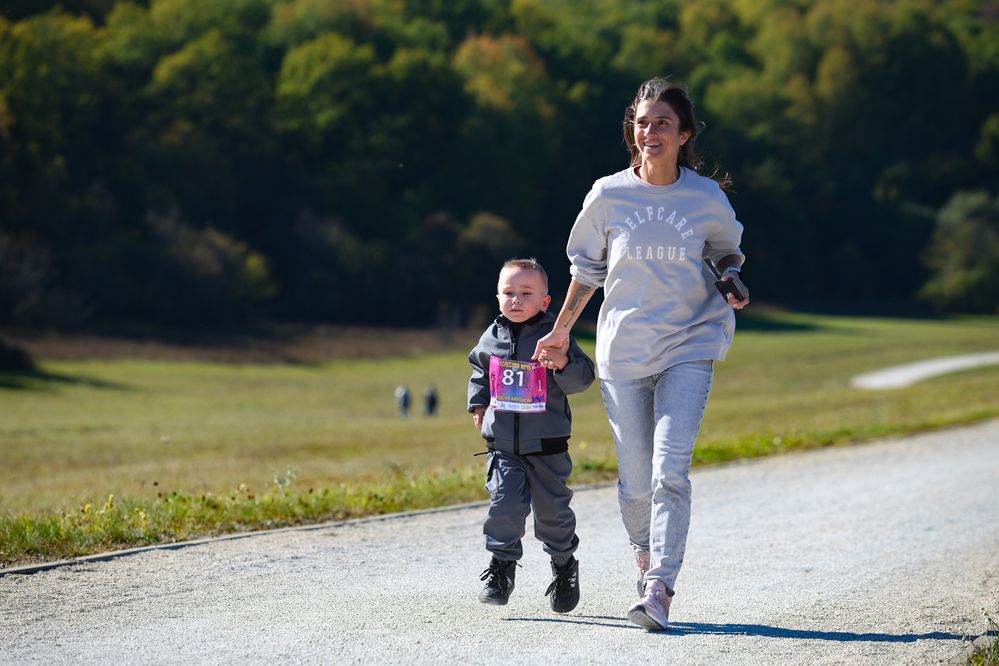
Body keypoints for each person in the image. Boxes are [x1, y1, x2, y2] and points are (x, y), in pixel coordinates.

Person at [532, 78, 750, 632]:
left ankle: (660, 588)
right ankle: (644, 556)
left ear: (684, 135)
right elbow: (587, 271)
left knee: (668, 469)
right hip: (625, 351)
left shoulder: (705, 197)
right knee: (633, 482)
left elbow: (725, 249)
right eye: (643, 122)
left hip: (689, 343)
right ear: (633, 130)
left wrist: (729, 275)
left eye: (662, 124)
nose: (650, 132)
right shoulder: (608, 195)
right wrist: (560, 333)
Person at [468, 258, 596, 613]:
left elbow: (584, 378)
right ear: (497, 297)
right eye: (509, 293)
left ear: (546, 302)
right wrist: (478, 404)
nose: (516, 300)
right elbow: (480, 371)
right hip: (503, 447)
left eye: (526, 293)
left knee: (552, 516)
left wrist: (563, 365)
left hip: (547, 448)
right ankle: (501, 568)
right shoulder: (490, 337)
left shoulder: (557, 335)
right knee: (504, 505)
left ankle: (564, 564)